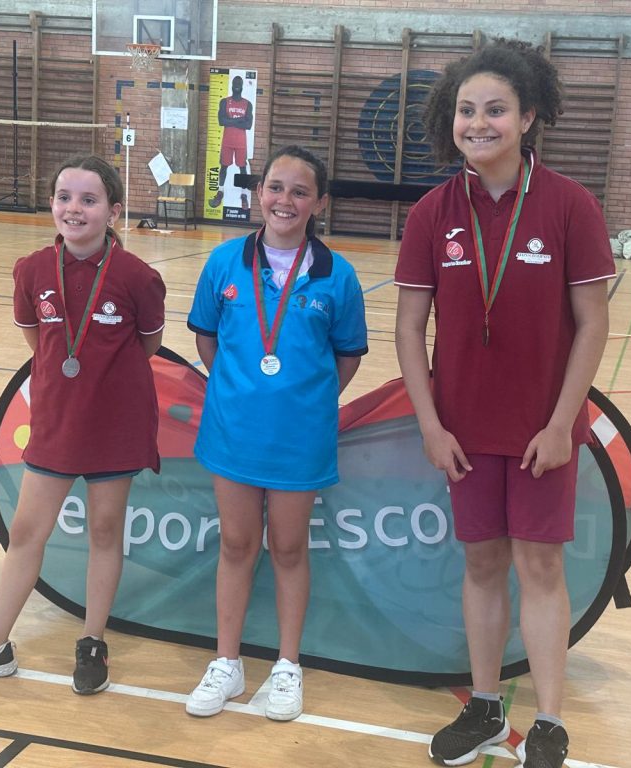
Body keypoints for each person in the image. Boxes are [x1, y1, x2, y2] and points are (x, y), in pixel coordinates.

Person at [394, 40, 614, 768]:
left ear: (527, 117)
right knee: (483, 565)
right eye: (466, 110)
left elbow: (592, 324)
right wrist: (431, 425)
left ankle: (548, 721)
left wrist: (561, 424)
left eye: (495, 109)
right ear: (449, 119)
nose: (479, 123)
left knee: (541, 568)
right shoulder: (432, 213)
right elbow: (408, 327)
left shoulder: (570, 205)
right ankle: (486, 708)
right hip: (462, 432)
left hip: (541, 432)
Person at [0, 154, 166, 696]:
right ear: (52, 203)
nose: (73, 208)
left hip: (117, 424)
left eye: (88, 200)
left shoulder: (137, 277)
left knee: (105, 533)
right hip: (56, 423)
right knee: (28, 533)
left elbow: (147, 345)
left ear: (113, 211)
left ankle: (93, 640)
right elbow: (39, 342)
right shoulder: (32, 270)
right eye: (64, 197)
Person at [186, 145, 368, 721]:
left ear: (319, 203)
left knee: (288, 549)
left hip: (300, 438)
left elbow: (347, 356)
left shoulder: (338, 276)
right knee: (237, 545)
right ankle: (227, 662)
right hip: (233, 432)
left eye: (300, 191)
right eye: (275, 187)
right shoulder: (224, 263)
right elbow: (207, 339)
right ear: (259, 193)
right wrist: (239, 390)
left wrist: (305, 400)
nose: (285, 200)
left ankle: (288, 665)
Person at [209, 75, 254, 210]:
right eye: (235, 84)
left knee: (242, 168)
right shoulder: (224, 102)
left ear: (242, 86)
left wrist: (230, 121)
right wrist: (239, 120)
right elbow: (221, 121)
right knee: (224, 166)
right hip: (227, 141)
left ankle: (244, 194)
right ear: (232, 86)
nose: (237, 86)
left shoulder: (247, 104)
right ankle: (220, 192)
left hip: (241, 142)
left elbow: (248, 125)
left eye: (239, 84)